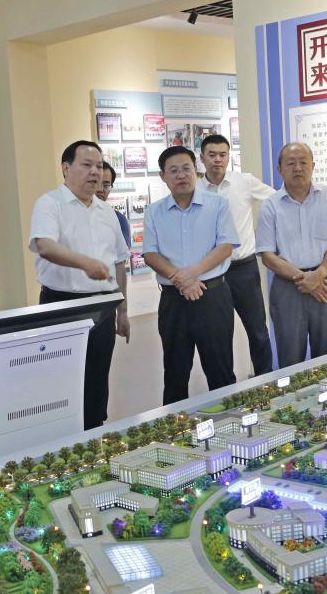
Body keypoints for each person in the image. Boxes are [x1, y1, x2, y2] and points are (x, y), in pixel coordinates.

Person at [29, 141, 130, 429]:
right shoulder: (50, 204)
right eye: (87, 165)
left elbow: (119, 263)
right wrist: (85, 263)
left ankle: (95, 432)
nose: (95, 172)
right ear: (66, 168)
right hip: (62, 304)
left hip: (103, 306)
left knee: (97, 378)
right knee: (63, 382)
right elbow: (44, 246)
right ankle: (65, 438)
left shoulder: (107, 212)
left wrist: (122, 311)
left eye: (99, 166)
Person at [143, 145, 238, 405]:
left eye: (186, 168)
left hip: (213, 297)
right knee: (175, 372)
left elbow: (226, 246)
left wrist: (191, 274)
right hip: (173, 301)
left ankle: (229, 421)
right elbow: (150, 254)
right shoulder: (154, 211)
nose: (181, 175)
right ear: (163, 176)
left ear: (195, 170)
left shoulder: (218, 204)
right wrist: (181, 279)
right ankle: (175, 426)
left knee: (220, 369)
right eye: (173, 171)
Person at [256, 142, 327, 368]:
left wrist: (318, 274)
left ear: (313, 166)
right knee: (290, 357)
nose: (298, 168)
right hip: (287, 287)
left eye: (303, 162)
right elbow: (268, 255)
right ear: (280, 169)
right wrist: (305, 279)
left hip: (326, 282)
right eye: (291, 163)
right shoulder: (270, 206)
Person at [200, 133, 275, 376]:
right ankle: (226, 387)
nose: (217, 160)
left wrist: (267, 238)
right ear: (202, 158)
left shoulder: (244, 182)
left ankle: (265, 380)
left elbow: (276, 201)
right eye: (212, 155)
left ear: (229, 156)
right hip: (211, 272)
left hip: (244, 268)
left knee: (257, 330)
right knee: (219, 334)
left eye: (222, 155)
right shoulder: (195, 189)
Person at [97, 161, 131, 248]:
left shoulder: (119, 219)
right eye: (96, 182)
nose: (100, 189)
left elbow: (124, 253)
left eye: (106, 185)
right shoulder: (75, 214)